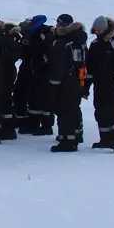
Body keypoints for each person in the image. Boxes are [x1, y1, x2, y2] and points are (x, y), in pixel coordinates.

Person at [85, 16, 114, 152]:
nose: (97, 32)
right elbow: (90, 66)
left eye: (100, 30)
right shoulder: (94, 45)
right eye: (96, 30)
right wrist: (87, 85)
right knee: (100, 110)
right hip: (100, 84)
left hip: (113, 84)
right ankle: (105, 139)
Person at [47, 14, 88, 152]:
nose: (57, 25)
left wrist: (53, 83)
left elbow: (57, 64)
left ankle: (67, 140)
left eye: (59, 23)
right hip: (77, 78)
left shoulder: (63, 41)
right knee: (73, 108)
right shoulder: (80, 41)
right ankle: (75, 135)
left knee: (64, 110)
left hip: (65, 80)